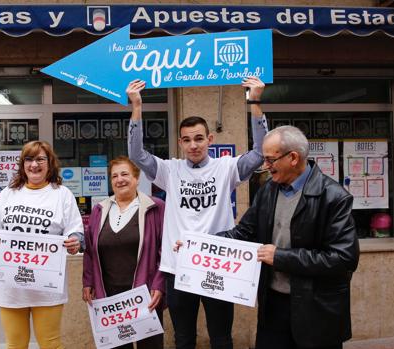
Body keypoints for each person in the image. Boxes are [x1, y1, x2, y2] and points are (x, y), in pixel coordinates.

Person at [127, 77, 268, 349]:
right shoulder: (170, 170)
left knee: (221, 337)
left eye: (199, 139)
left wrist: (255, 101)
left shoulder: (226, 168)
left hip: (217, 265)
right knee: (183, 338)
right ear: (180, 142)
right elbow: (136, 155)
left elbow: (260, 153)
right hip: (177, 267)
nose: (194, 145)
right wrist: (136, 107)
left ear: (210, 139)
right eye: (188, 140)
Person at [216, 125, 360, 349]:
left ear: (293, 157)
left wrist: (281, 257)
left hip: (317, 312)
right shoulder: (267, 191)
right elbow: (243, 232)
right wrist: (197, 245)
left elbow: (343, 258)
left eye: (270, 160)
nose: (265, 167)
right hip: (272, 307)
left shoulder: (334, 197)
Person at [0, 140, 84, 349]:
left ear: (50, 164)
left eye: (40, 159)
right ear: (22, 164)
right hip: (11, 287)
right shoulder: (9, 193)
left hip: (47, 287)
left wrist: (75, 242)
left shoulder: (62, 194)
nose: (34, 164)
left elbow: (76, 231)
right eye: (29, 159)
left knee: (51, 344)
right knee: (15, 345)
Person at [82, 156, 165, 349]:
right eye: (114, 176)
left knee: (150, 346)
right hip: (110, 297)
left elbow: (165, 250)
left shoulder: (155, 207)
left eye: (125, 174)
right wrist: (88, 281)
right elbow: (89, 251)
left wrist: (159, 284)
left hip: (145, 293)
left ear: (137, 178)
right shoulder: (99, 210)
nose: (120, 179)